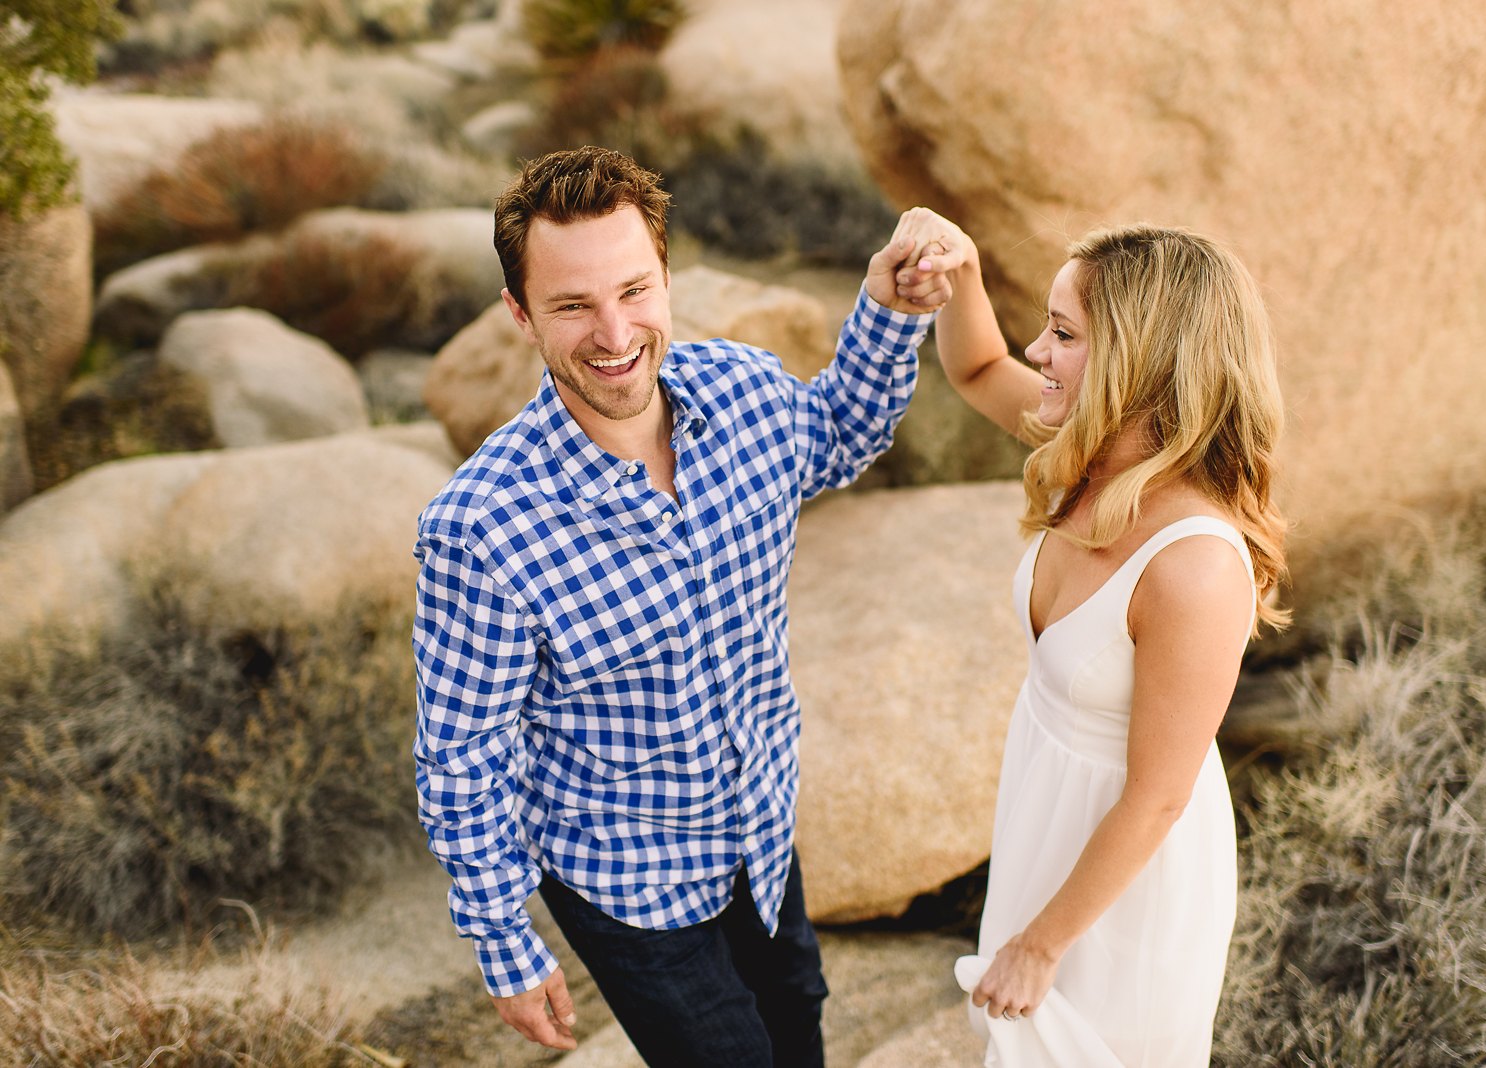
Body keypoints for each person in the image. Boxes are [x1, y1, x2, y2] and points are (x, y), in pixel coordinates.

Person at [410, 145, 954, 1067]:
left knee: (798, 1022)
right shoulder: (479, 529)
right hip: (629, 880)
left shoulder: (740, 392)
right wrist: (504, 942)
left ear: (666, 279)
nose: (614, 333)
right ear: (520, 314)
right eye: (572, 304)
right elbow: (462, 755)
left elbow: (835, 435)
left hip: (762, 831)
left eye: (633, 290)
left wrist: (891, 309)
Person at [899, 217, 1289, 1065]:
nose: (1038, 352)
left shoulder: (1193, 565)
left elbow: (1157, 797)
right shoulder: (1089, 453)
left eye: (1065, 334)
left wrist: (1044, 942)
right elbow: (972, 367)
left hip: (1130, 876)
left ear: (1140, 362)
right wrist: (962, 269)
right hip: (1047, 807)